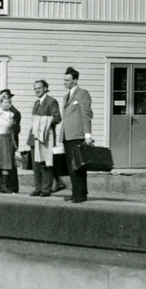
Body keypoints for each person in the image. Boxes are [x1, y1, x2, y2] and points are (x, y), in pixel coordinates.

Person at [20, 80, 62, 196]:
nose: (37, 90)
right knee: (36, 165)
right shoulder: (36, 103)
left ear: (45, 88)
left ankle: (46, 189)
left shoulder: (51, 101)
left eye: (39, 88)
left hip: (45, 138)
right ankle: (37, 188)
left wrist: (44, 121)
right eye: (35, 88)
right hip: (35, 137)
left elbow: (57, 118)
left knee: (45, 163)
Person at [60, 67, 94, 203]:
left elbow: (86, 114)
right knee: (71, 166)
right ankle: (75, 192)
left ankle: (81, 194)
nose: (65, 82)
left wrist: (87, 135)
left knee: (78, 166)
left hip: (77, 135)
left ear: (75, 80)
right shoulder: (66, 96)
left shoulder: (82, 93)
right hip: (67, 136)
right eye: (64, 80)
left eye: (68, 80)